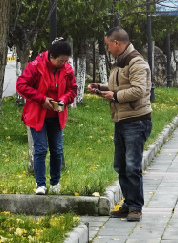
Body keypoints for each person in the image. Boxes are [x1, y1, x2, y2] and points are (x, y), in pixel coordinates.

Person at [87, 26, 152, 223]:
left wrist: (114, 95)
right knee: (121, 165)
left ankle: (136, 207)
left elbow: (137, 91)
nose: (107, 49)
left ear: (117, 43)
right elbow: (119, 87)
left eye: (108, 45)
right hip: (121, 119)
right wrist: (100, 88)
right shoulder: (119, 63)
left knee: (132, 166)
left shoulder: (136, 63)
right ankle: (127, 203)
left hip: (136, 120)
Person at [16, 38, 77, 195]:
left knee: (57, 149)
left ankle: (55, 183)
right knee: (41, 149)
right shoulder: (35, 67)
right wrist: (41, 99)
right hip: (37, 115)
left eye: (66, 61)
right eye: (60, 60)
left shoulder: (67, 70)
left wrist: (63, 100)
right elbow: (21, 85)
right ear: (51, 56)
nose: (63, 64)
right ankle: (40, 184)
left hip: (57, 115)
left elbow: (73, 90)